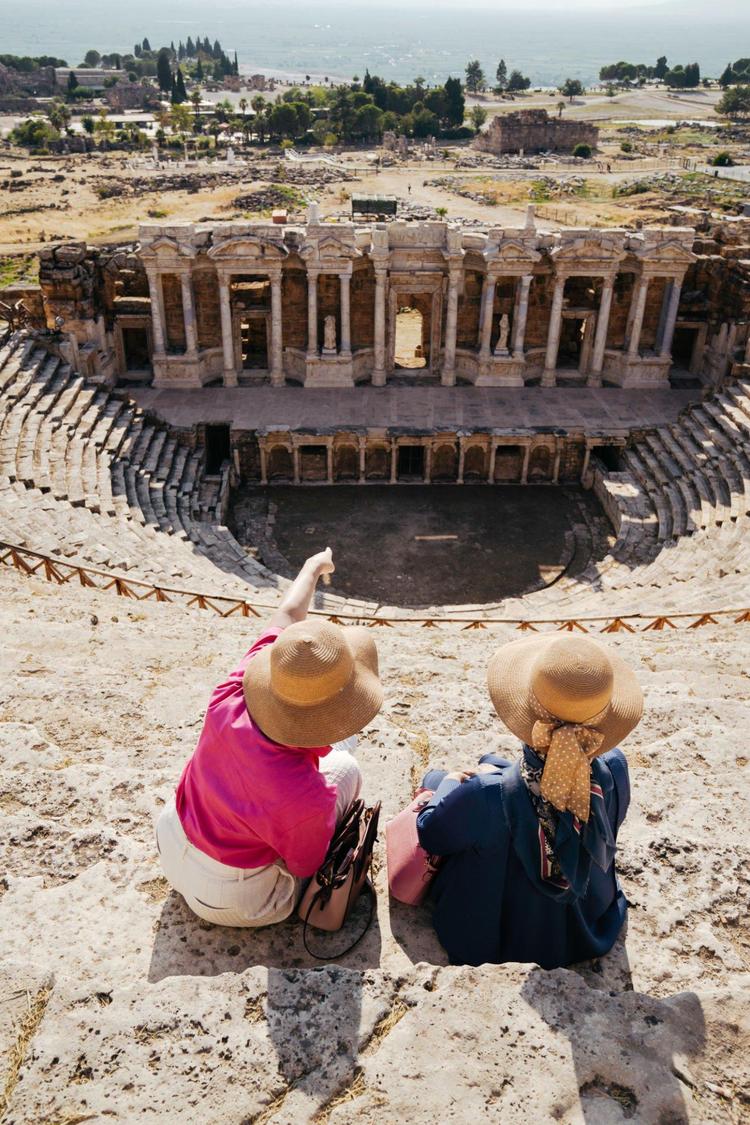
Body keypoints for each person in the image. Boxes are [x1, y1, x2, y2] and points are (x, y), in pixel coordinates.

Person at [156, 548, 383, 928]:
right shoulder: (304, 797)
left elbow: (288, 614)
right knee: (347, 766)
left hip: (173, 837)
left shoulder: (233, 690)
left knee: (329, 761)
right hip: (233, 899)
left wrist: (312, 567)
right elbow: (305, 864)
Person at [416, 635, 642, 968]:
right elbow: (560, 793)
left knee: (434, 780)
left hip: (499, 936)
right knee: (484, 768)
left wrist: (451, 782)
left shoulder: (484, 795)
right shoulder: (616, 767)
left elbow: (431, 833)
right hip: (586, 924)